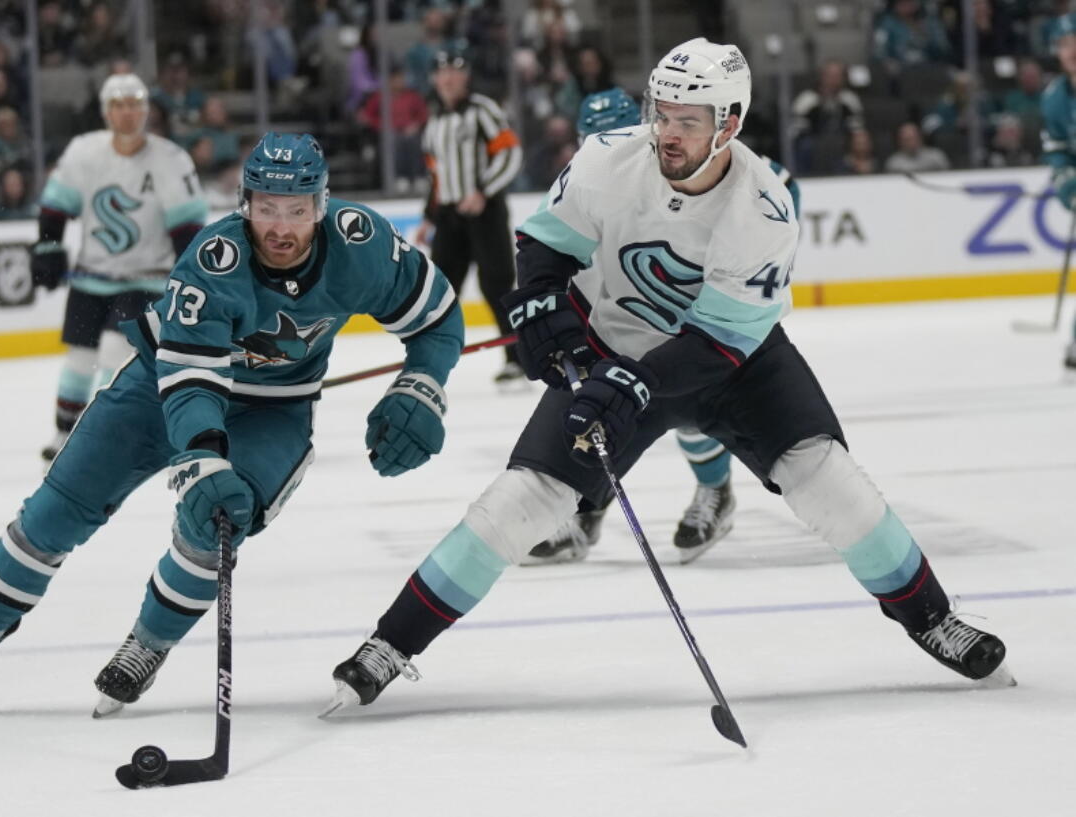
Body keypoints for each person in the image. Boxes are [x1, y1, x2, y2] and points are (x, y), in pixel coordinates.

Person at [321, 38, 1010, 716]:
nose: (667, 131)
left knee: (831, 484)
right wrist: (540, 309)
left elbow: (716, 342)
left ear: (729, 125)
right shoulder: (606, 158)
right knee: (520, 501)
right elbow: (543, 245)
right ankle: (391, 641)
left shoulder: (764, 205)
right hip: (614, 349)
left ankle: (931, 618)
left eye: (689, 119)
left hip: (737, 365)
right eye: (662, 112)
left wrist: (635, 381)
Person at [0, 132, 464, 715]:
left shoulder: (360, 246)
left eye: (296, 210)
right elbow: (191, 383)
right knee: (54, 512)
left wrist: (421, 384)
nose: (280, 227)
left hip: (274, 410)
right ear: (245, 203)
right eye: (266, 208)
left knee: (214, 526)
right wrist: (203, 454)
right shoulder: (216, 261)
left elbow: (437, 318)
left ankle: (148, 644)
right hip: (158, 388)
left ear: (322, 205)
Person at [525, 86, 802, 566]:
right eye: (593, 136)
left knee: (690, 412)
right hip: (627, 316)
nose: (604, 145)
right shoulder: (592, 178)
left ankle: (714, 493)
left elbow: (780, 186)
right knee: (597, 410)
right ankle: (588, 508)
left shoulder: (686, 167)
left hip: (704, 320)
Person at [30, 74, 209, 461]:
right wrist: (48, 244)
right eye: (119, 105)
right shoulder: (84, 152)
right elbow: (56, 203)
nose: (128, 113)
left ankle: (103, 433)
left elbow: (188, 228)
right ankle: (64, 435)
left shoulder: (170, 160)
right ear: (106, 111)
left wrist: (192, 275)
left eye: (135, 105)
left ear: (146, 110)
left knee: (114, 353)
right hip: (92, 276)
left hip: (148, 280)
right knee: (78, 359)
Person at [417, 45, 525, 387]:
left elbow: (509, 153)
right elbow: (436, 176)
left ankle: (516, 360)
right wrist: (429, 217)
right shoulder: (434, 122)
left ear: (465, 77)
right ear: (434, 78)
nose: (448, 79)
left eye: (455, 72)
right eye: (442, 72)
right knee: (440, 290)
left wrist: (483, 191)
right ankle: (429, 360)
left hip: (485, 212)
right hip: (450, 216)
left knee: (496, 285)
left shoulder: (482, 110)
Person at [1040, 11, 1076, 373]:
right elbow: (1057, 150)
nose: (1072, 49)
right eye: (1066, 43)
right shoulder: (1055, 97)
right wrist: (1068, 185)